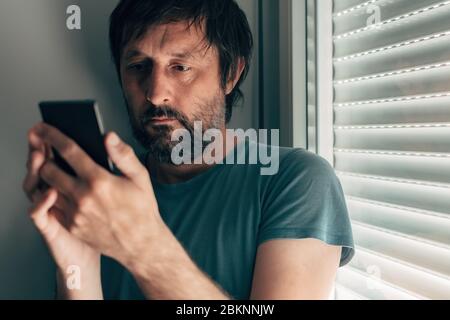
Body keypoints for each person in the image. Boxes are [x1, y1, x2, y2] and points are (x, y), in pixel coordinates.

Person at [23, 0, 354, 300]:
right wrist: (78, 263)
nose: (155, 93)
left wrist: (141, 247)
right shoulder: (102, 198)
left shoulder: (296, 181)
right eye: (138, 66)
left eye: (180, 67)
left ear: (231, 73)